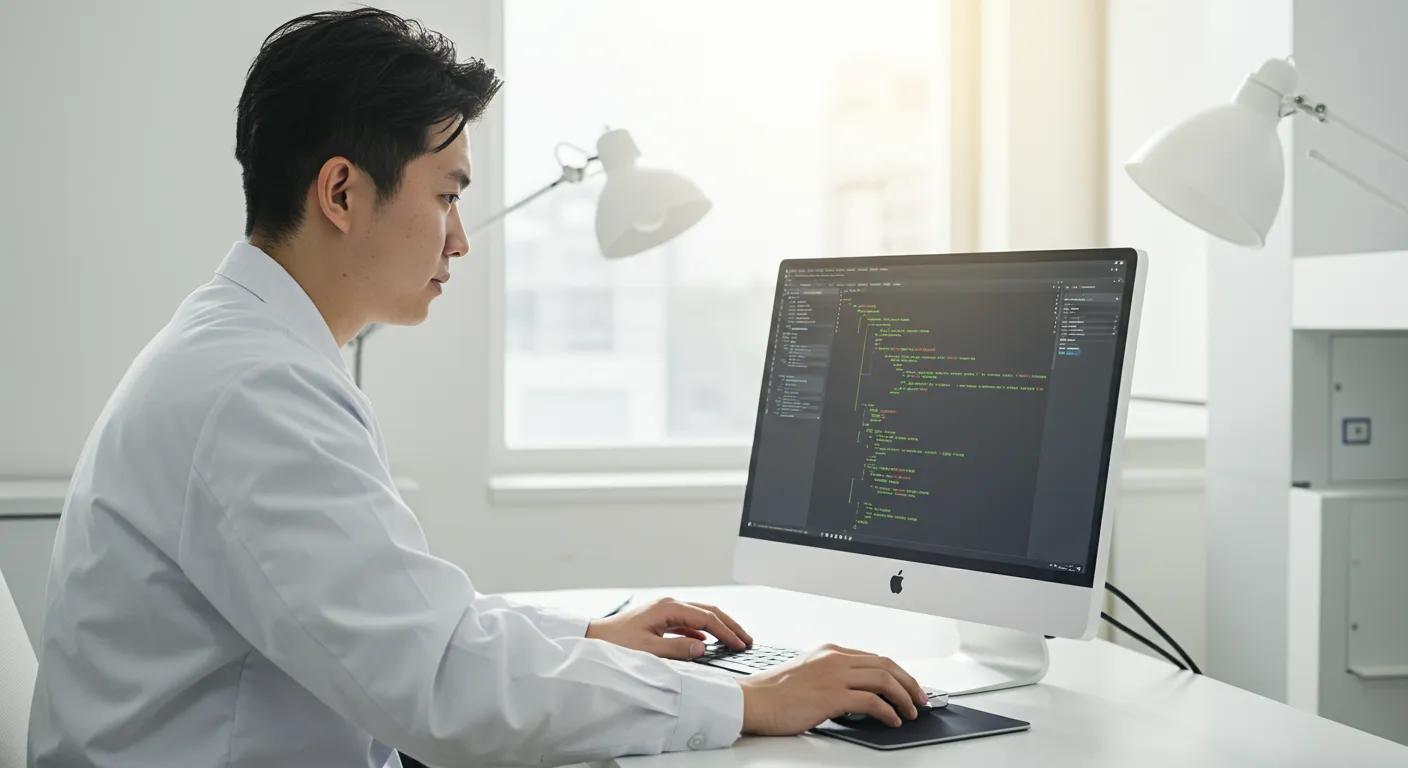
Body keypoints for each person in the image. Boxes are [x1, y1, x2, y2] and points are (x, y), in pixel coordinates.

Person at [26, 9, 926, 767]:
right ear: (341, 192)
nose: (459, 239)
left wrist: (587, 640)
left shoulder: (244, 354)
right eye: (447, 195)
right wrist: (745, 703)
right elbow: (443, 686)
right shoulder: (253, 391)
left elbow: (411, 622)